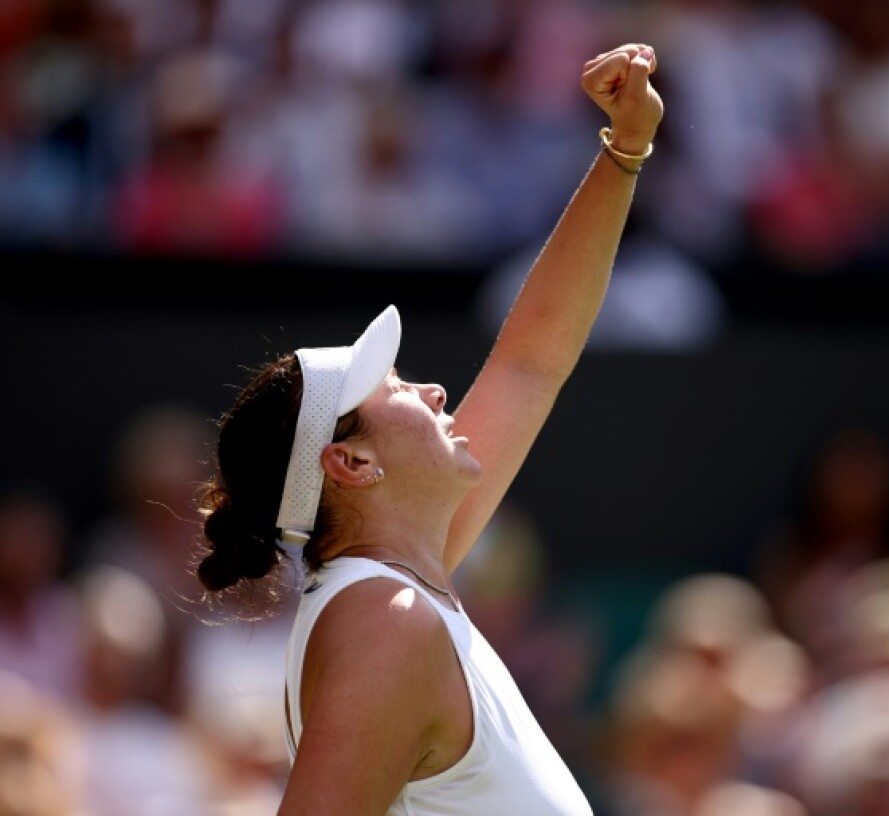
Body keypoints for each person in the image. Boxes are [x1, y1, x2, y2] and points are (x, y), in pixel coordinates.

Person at [191, 42, 663, 815]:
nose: (438, 390)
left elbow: (530, 361)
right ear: (350, 461)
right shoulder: (384, 620)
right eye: (399, 387)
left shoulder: (397, 592)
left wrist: (625, 148)